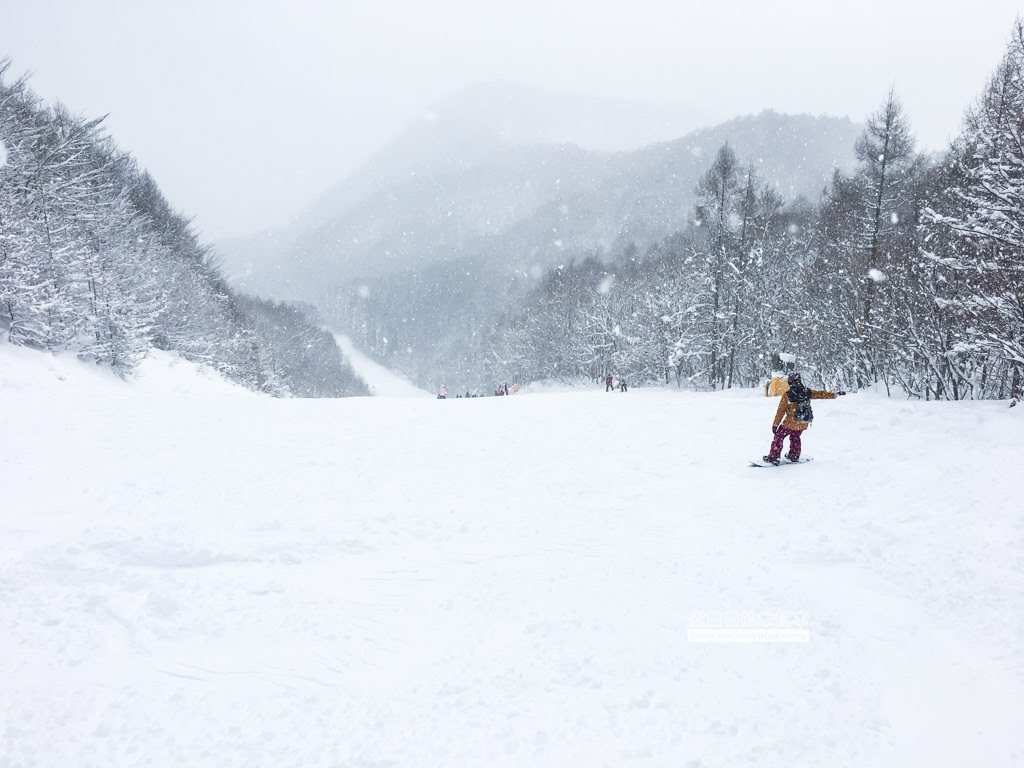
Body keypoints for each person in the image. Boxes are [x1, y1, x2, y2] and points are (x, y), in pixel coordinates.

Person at [763, 372, 845, 464]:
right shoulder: (807, 392)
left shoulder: (787, 395)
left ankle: (773, 457)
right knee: (795, 437)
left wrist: (775, 425)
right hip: (803, 422)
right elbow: (821, 394)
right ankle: (794, 455)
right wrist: (835, 394)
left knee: (779, 436)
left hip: (790, 422)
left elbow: (780, 411)